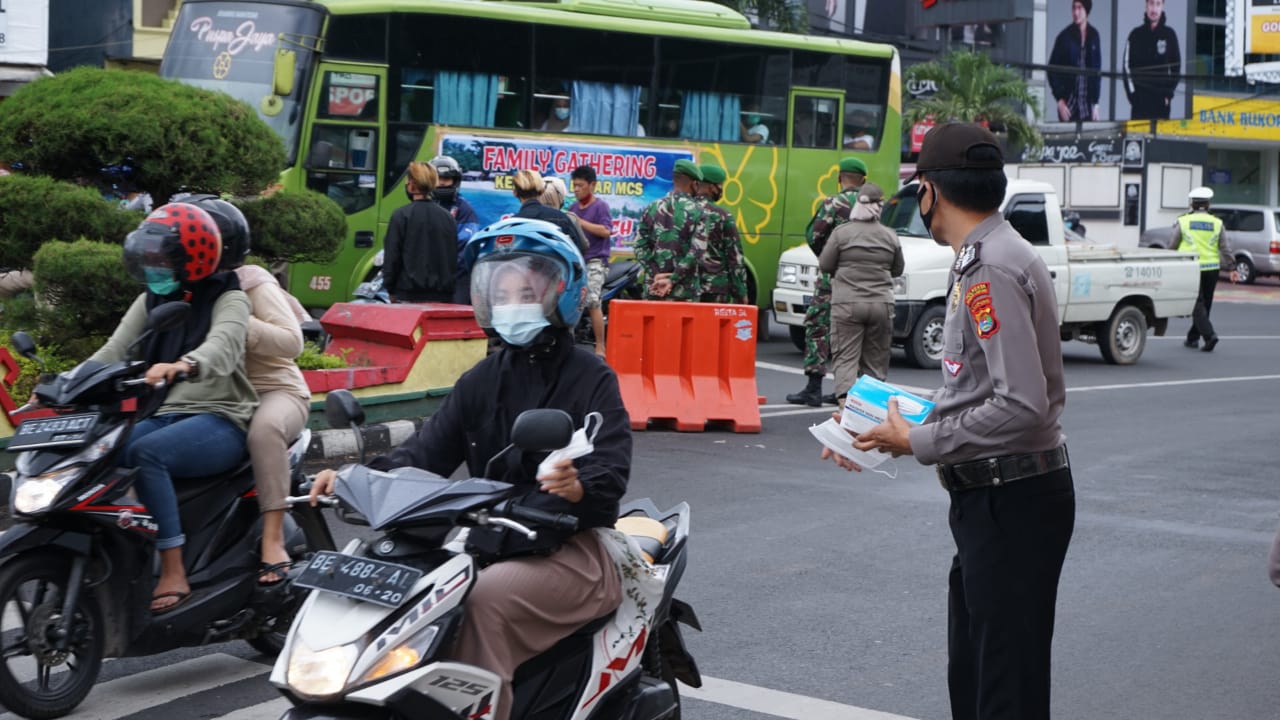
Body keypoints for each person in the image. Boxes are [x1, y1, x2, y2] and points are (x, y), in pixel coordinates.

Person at [310, 217, 627, 720]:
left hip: (570, 548)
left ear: (561, 292)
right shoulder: (480, 379)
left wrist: (575, 486)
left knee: (484, 602)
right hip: (488, 540)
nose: (511, 303)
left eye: (525, 290)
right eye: (499, 292)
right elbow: (424, 453)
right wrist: (356, 476)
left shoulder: (591, 376)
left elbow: (610, 472)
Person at [829, 123, 1075, 720]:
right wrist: (875, 430)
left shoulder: (990, 267)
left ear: (932, 192)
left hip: (1011, 502)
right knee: (976, 676)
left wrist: (916, 439)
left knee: (1001, 691)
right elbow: (975, 388)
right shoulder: (984, 256)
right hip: (995, 501)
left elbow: (1020, 405)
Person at [91, 203, 257, 613]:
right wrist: (58, 387)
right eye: (147, 260)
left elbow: (224, 344)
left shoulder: (230, 297)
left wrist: (185, 364)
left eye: (161, 260)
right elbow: (111, 352)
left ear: (192, 259)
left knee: (147, 453)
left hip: (221, 417)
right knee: (108, 449)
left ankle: (173, 568)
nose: (153, 268)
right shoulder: (150, 300)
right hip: (162, 414)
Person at [176, 195, 311, 584]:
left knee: (264, 430)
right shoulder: (184, 287)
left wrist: (235, 326)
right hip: (216, 397)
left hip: (273, 391)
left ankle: (272, 540)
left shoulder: (252, 282)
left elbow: (292, 342)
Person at [786, 157, 867, 407]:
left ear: (839, 178)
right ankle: (849, 390)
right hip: (864, 279)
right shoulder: (874, 206)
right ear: (863, 180)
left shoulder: (834, 202)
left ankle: (813, 388)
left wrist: (828, 257)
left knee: (818, 326)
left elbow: (814, 235)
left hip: (833, 277)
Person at [817, 181, 903, 396]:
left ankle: (846, 407)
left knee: (846, 357)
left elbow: (825, 265)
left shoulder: (841, 233)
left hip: (847, 303)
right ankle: (869, 411)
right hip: (881, 304)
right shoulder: (890, 235)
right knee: (875, 361)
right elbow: (897, 269)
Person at [383, 162, 457, 303]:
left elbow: (392, 257)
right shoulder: (448, 217)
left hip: (408, 295)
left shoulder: (401, 215)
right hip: (443, 297)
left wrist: (390, 289)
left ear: (412, 184)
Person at [634, 159, 705, 301]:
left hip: (654, 288)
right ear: (694, 183)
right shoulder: (699, 212)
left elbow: (639, 247)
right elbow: (696, 252)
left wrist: (656, 274)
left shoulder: (652, 207)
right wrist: (672, 279)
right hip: (684, 292)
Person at [1177, 187, 1237, 352]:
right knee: (1206, 304)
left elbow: (1172, 245)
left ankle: (1209, 336)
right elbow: (1225, 247)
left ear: (1192, 204)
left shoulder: (1183, 221)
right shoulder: (1217, 223)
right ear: (1208, 204)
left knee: (1196, 304)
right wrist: (1232, 267)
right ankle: (1193, 338)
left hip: (1190, 267)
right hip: (1211, 268)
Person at [568, 164, 614, 356]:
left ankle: (600, 345)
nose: (576, 189)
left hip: (596, 261)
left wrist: (580, 222)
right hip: (577, 260)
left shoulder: (600, 206)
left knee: (593, 300)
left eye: (580, 185)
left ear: (592, 185)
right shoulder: (572, 208)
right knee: (568, 299)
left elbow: (606, 231)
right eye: (574, 185)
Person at [430, 155, 483, 305]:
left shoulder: (464, 209)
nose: (441, 183)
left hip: (456, 276)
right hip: (426, 277)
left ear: (455, 180)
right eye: (438, 178)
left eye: (446, 179)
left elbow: (465, 243)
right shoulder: (424, 206)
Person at [694, 163, 749, 304]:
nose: (721, 189)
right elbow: (734, 257)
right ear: (712, 187)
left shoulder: (683, 211)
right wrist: (741, 292)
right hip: (715, 289)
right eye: (720, 185)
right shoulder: (722, 215)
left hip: (687, 287)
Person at [1123, 0, 1181, 120]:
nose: (1154, 9)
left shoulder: (1169, 35)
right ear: (1146, 5)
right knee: (1137, 138)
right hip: (1139, 104)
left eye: (1158, 4)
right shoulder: (1135, 35)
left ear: (1162, 6)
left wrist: (1168, 95)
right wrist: (1133, 97)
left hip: (1161, 105)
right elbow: (1126, 68)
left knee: (1159, 139)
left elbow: (1177, 68)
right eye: (1151, 3)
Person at [1048, 0, 1103, 122]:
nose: (1076, 12)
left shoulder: (1094, 35)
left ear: (1086, 10)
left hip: (1087, 104)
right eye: (1074, 8)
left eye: (1080, 8)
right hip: (1069, 104)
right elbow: (1051, 70)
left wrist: (1096, 104)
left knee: (1089, 138)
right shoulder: (1064, 37)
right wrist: (1060, 100)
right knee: (1067, 140)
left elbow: (1097, 72)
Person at [512, 169, 589, 255]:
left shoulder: (511, 223)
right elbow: (578, 252)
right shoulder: (561, 218)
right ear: (541, 191)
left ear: (515, 193)